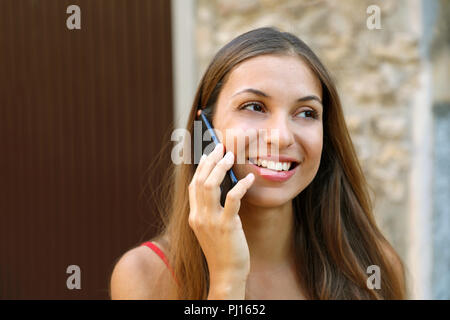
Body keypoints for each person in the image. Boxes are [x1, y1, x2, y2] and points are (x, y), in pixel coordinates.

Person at [110, 27, 406, 300]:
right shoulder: (146, 276)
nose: (280, 137)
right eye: (254, 107)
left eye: (306, 113)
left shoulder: (373, 265)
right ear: (206, 130)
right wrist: (227, 281)